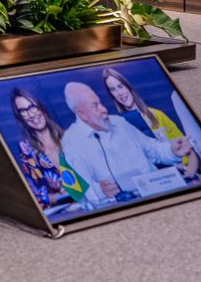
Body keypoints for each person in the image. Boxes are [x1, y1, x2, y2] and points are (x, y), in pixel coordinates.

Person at [60, 82, 193, 204]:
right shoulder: (70, 141)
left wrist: (172, 150)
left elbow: (153, 150)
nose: (104, 109)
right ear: (81, 113)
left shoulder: (118, 122)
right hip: (122, 206)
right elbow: (81, 190)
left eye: (100, 103)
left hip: (159, 192)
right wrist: (101, 190)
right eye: (95, 106)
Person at [103, 67, 200, 179]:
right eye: (113, 89)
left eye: (120, 86)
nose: (119, 93)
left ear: (129, 87)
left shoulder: (157, 115)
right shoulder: (117, 127)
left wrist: (189, 175)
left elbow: (188, 150)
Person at [11, 88, 71, 208]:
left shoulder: (69, 136)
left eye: (33, 107)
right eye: (23, 111)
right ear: (20, 117)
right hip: (67, 210)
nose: (31, 114)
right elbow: (36, 195)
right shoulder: (26, 149)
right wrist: (55, 197)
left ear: (41, 107)